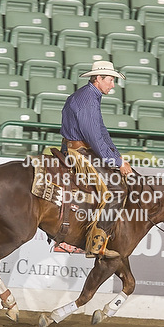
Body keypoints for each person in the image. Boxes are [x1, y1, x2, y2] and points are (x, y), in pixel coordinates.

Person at [60, 60, 133, 258]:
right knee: (117, 191)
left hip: (78, 147)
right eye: (110, 80)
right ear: (98, 79)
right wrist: (117, 162)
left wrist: (116, 155)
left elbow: (101, 131)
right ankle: (96, 243)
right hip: (79, 152)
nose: (113, 85)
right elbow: (94, 137)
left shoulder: (89, 96)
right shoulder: (88, 100)